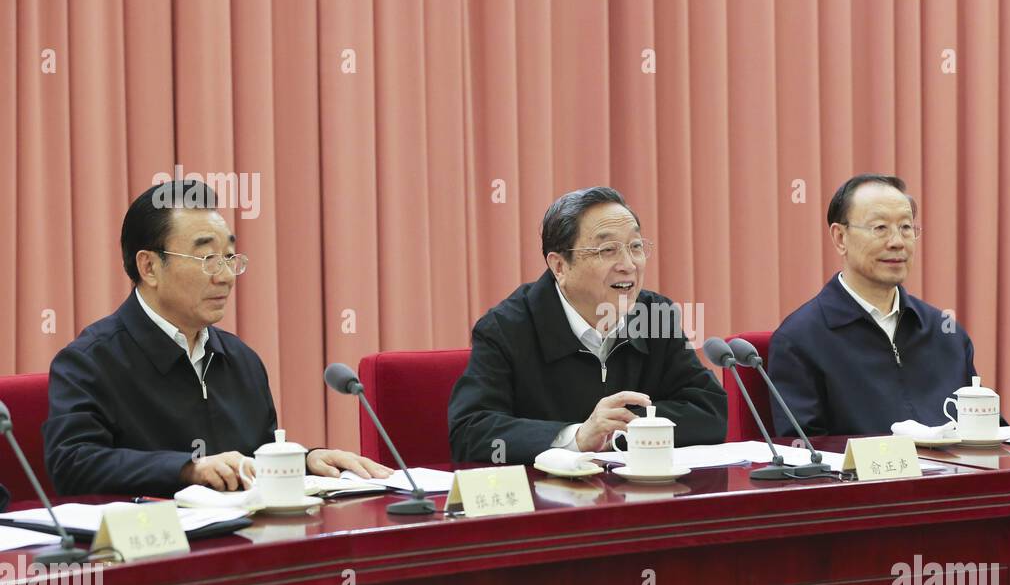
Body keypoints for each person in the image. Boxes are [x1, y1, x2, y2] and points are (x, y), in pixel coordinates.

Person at [43, 180, 392, 495]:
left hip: (243, 543)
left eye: (229, 257)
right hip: (152, 549)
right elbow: (73, 465)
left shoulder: (240, 359)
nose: (225, 276)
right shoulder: (90, 362)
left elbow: (251, 461)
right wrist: (187, 469)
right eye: (208, 258)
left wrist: (305, 461)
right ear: (149, 267)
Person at [448, 186, 727, 462]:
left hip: (640, 494)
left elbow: (710, 412)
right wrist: (577, 437)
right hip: (547, 499)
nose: (628, 264)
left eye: (636, 247)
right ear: (560, 267)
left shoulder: (655, 316)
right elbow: (472, 433)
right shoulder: (507, 328)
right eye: (607, 250)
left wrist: (622, 429)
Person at [767, 173, 983, 436]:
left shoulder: (946, 333)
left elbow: (984, 430)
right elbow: (806, 453)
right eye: (880, 228)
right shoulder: (800, 339)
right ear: (840, 238)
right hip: (863, 477)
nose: (897, 242)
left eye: (906, 228)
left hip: (952, 475)